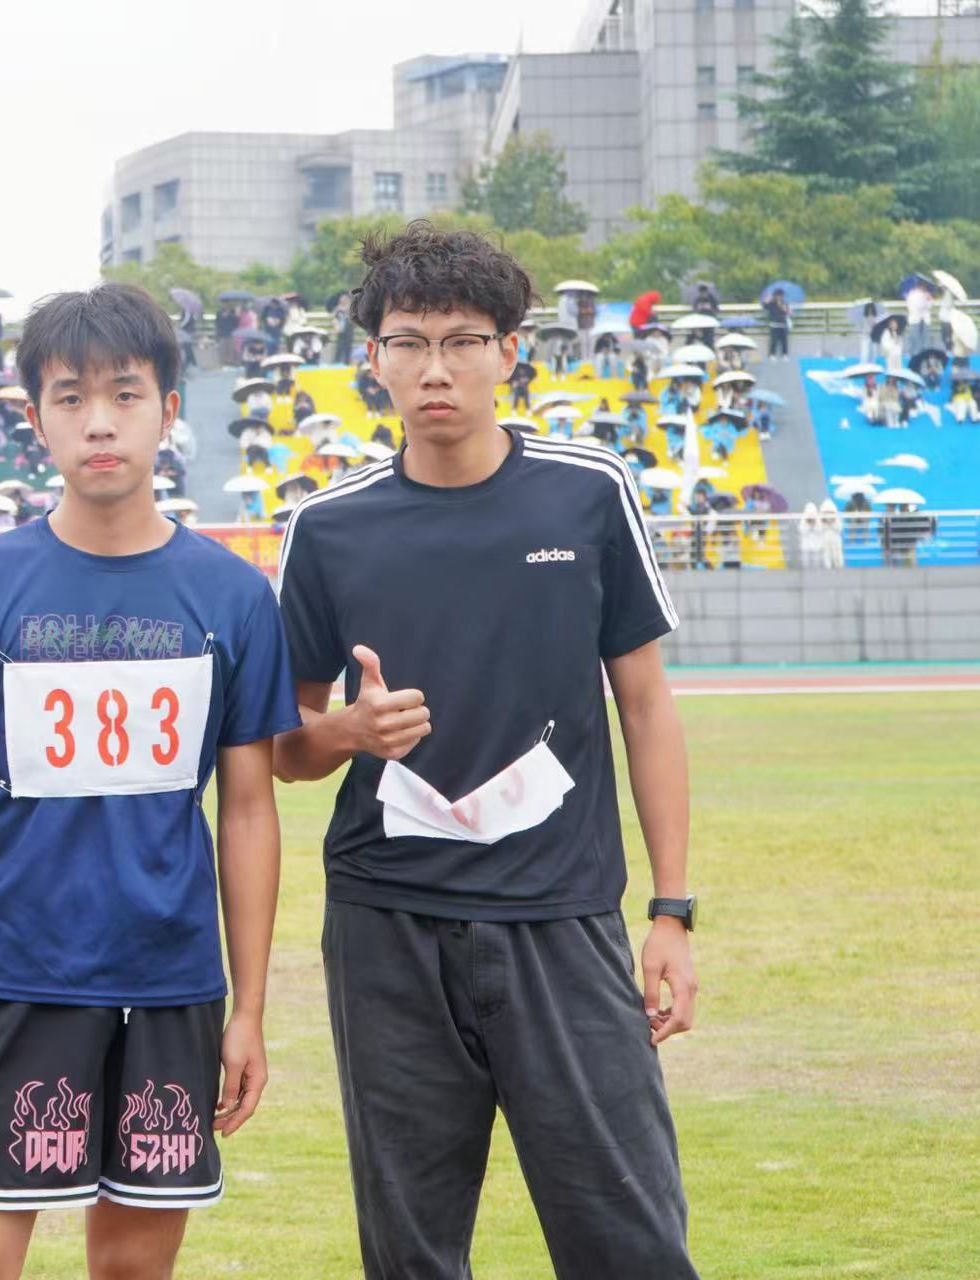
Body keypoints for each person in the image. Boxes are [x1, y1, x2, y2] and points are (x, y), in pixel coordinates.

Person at [271, 222, 700, 1280]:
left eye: (463, 341)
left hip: (561, 915)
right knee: (411, 1251)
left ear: (510, 351)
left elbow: (646, 706)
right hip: (387, 925)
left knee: (630, 1242)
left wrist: (671, 910)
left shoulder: (587, 492)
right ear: (373, 358)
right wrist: (349, 732)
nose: (436, 369)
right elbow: (286, 745)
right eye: (409, 342)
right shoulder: (328, 526)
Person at [0, 283, 290, 1278]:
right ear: (37, 418)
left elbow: (248, 810)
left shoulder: (234, 594)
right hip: (13, 972)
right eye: (71, 398)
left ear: (168, 409)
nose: (99, 421)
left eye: (124, 394)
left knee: (136, 1265)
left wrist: (247, 1007)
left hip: (170, 982)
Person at [764, 288, 791, 359]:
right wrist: (766, 300)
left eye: (781, 295)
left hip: (783, 324)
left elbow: (788, 312)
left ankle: (785, 354)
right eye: (778, 295)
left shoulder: (784, 303)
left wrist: (783, 308)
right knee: (774, 341)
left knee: (784, 341)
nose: (779, 297)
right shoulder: (771, 303)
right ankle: (772, 354)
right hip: (774, 324)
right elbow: (765, 307)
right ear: (775, 296)